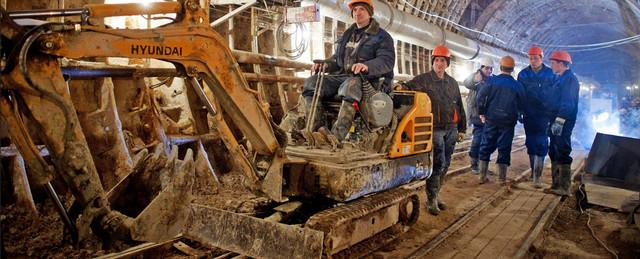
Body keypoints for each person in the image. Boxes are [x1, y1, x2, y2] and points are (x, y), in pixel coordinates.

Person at [302, 0, 395, 142]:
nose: (358, 12)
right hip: (343, 77)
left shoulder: (382, 37)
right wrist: (325, 66)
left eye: (362, 9)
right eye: (355, 10)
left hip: (368, 81)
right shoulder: (348, 34)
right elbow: (338, 59)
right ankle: (317, 132)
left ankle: (336, 136)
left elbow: (386, 61)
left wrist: (367, 66)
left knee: (350, 85)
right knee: (311, 83)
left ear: (370, 12)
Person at [402, 45, 466, 215]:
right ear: (433, 62)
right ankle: (431, 200)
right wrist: (400, 87)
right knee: (438, 163)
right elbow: (407, 87)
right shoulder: (423, 79)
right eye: (437, 60)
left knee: (446, 163)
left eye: (442, 61)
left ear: (447, 63)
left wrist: (462, 128)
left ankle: (436, 195)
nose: (439, 63)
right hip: (435, 129)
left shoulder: (452, 83)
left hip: (451, 128)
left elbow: (459, 105)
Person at [477, 56, 525, 184]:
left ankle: (482, 176)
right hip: (508, 122)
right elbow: (522, 104)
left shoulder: (492, 81)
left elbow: (480, 97)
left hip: (491, 119)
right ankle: (501, 178)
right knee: (504, 147)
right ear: (513, 69)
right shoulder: (517, 85)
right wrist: (519, 116)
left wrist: (481, 113)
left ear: (500, 67)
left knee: (486, 145)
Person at [517, 46, 555, 188]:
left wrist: (553, 113)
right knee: (531, 143)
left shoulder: (550, 74)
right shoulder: (523, 74)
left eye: (535, 58)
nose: (533, 61)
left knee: (542, 143)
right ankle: (534, 172)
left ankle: (537, 176)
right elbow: (519, 94)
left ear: (541, 58)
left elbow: (555, 94)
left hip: (544, 116)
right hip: (529, 115)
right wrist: (519, 110)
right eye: (531, 58)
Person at [544, 50, 579, 196]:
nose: (551, 65)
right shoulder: (560, 78)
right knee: (554, 150)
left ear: (561, 63)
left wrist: (559, 121)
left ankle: (564, 187)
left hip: (562, 122)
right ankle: (556, 185)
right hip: (555, 120)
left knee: (562, 150)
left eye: (553, 63)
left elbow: (568, 103)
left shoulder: (569, 79)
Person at [463, 57, 494, 174]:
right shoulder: (476, 77)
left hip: (489, 116)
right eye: (487, 68)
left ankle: (483, 165)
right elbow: (467, 83)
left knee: (487, 142)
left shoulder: (491, 80)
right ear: (481, 68)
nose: (489, 71)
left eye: (491, 69)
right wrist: (476, 78)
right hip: (477, 115)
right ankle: (474, 165)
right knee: (477, 140)